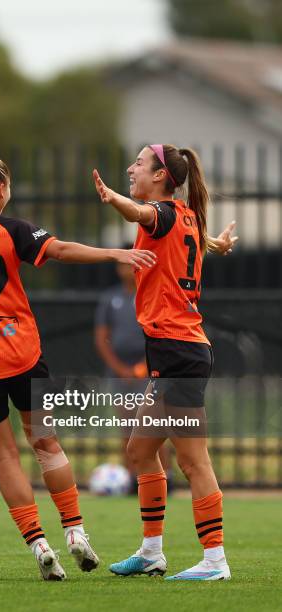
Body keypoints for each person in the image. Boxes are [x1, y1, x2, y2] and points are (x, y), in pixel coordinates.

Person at [0, 144, 157, 581]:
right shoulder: (10, 229)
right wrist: (115, 254)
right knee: (46, 444)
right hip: (21, 353)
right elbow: (59, 250)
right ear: (1, 189)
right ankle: (76, 532)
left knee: (5, 458)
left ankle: (39, 544)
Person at [93, 144, 238, 581]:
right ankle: (152, 552)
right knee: (139, 450)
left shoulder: (163, 213)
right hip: (173, 352)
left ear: (160, 177)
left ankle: (215, 561)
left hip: (180, 352)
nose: (131, 168)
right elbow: (178, 234)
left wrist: (114, 198)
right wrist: (218, 243)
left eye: (139, 163)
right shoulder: (186, 217)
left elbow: (141, 216)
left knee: (194, 462)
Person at [94, 245, 173, 493]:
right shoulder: (110, 298)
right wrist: (120, 368)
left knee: (154, 426)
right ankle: (132, 478)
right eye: (123, 263)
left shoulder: (152, 295)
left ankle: (165, 477)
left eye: (131, 263)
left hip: (150, 372)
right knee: (127, 428)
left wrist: (142, 368)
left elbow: (161, 336)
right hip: (121, 374)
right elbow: (101, 338)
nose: (126, 268)